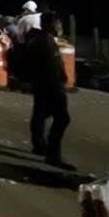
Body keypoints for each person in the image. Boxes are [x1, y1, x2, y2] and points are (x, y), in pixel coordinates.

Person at [26, 12, 72, 168]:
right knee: (62, 118)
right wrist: (60, 80)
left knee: (39, 113)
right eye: (56, 23)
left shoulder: (41, 39)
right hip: (51, 86)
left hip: (43, 84)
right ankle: (52, 153)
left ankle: (39, 145)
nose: (58, 26)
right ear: (48, 24)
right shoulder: (45, 41)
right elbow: (53, 66)